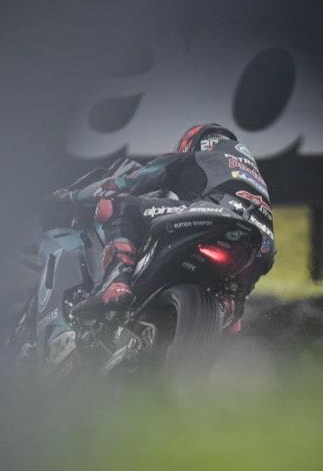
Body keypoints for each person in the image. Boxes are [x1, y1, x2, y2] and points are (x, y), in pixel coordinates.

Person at [46, 123, 275, 328]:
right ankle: (231, 307)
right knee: (233, 301)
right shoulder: (254, 177)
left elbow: (129, 181)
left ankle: (117, 283)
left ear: (194, 143)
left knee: (121, 205)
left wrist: (72, 197)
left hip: (215, 214)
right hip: (262, 245)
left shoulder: (199, 157)